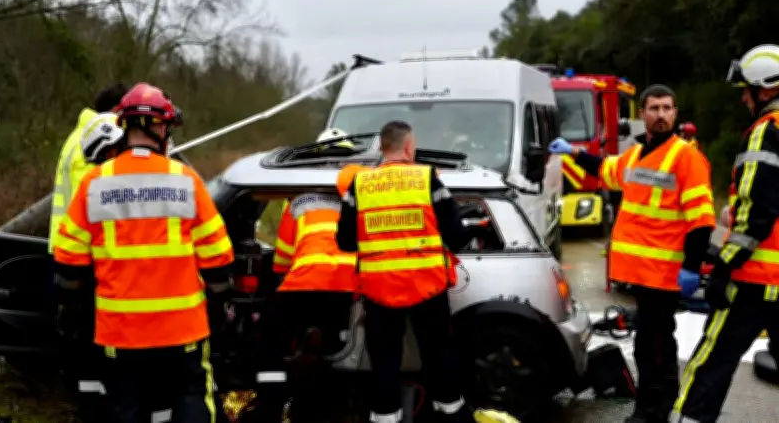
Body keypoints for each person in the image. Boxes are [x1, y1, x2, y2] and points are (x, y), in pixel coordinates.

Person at [52, 82, 235, 423]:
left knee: (125, 406)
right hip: (182, 330)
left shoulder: (94, 184)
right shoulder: (185, 180)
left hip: (120, 332)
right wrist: (221, 306)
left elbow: (68, 263)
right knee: (191, 397)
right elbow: (218, 257)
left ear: (125, 126)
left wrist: (71, 314)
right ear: (160, 128)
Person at [548, 84, 716, 423]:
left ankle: (654, 412)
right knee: (648, 345)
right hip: (642, 273)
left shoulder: (686, 156)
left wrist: (692, 267)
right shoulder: (637, 156)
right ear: (642, 115)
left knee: (656, 347)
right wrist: (574, 153)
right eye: (653, 108)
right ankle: (651, 408)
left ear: (675, 113)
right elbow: (607, 169)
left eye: (667, 108)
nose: (660, 115)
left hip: (665, 274)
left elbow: (701, 220)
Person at [335, 120, 477, 423]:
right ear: (409, 147)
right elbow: (456, 237)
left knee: (385, 361)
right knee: (438, 356)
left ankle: (386, 417)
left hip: (379, 291)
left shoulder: (358, 186)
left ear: (383, 148)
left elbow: (345, 242)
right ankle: (451, 414)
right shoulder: (427, 179)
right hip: (427, 288)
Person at [671, 44, 779, 423]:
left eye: (747, 90)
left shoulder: (766, 132)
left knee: (711, 361)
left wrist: (723, 266)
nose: (744, 98)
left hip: (755, 278)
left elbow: (757, 211)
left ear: (766, 89)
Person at [253, 134, 364, 422]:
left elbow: (281, 263)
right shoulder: (363, 198)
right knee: (333, 345)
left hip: (305, 283)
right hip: (348, 288)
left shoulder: (300, 200)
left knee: (270, 336)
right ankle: (323, 404)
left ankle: (270, 409)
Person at [58, 112, 126, 423]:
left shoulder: (98, 184)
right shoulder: (102, 184)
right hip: (106, 286)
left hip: (103, 284)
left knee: (96, 364)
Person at [48, 83, 129, 255]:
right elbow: (89, 203)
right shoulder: (92, 143)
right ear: (116, 111)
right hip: (76, 250)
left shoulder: (82, 136)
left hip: (70, 244)